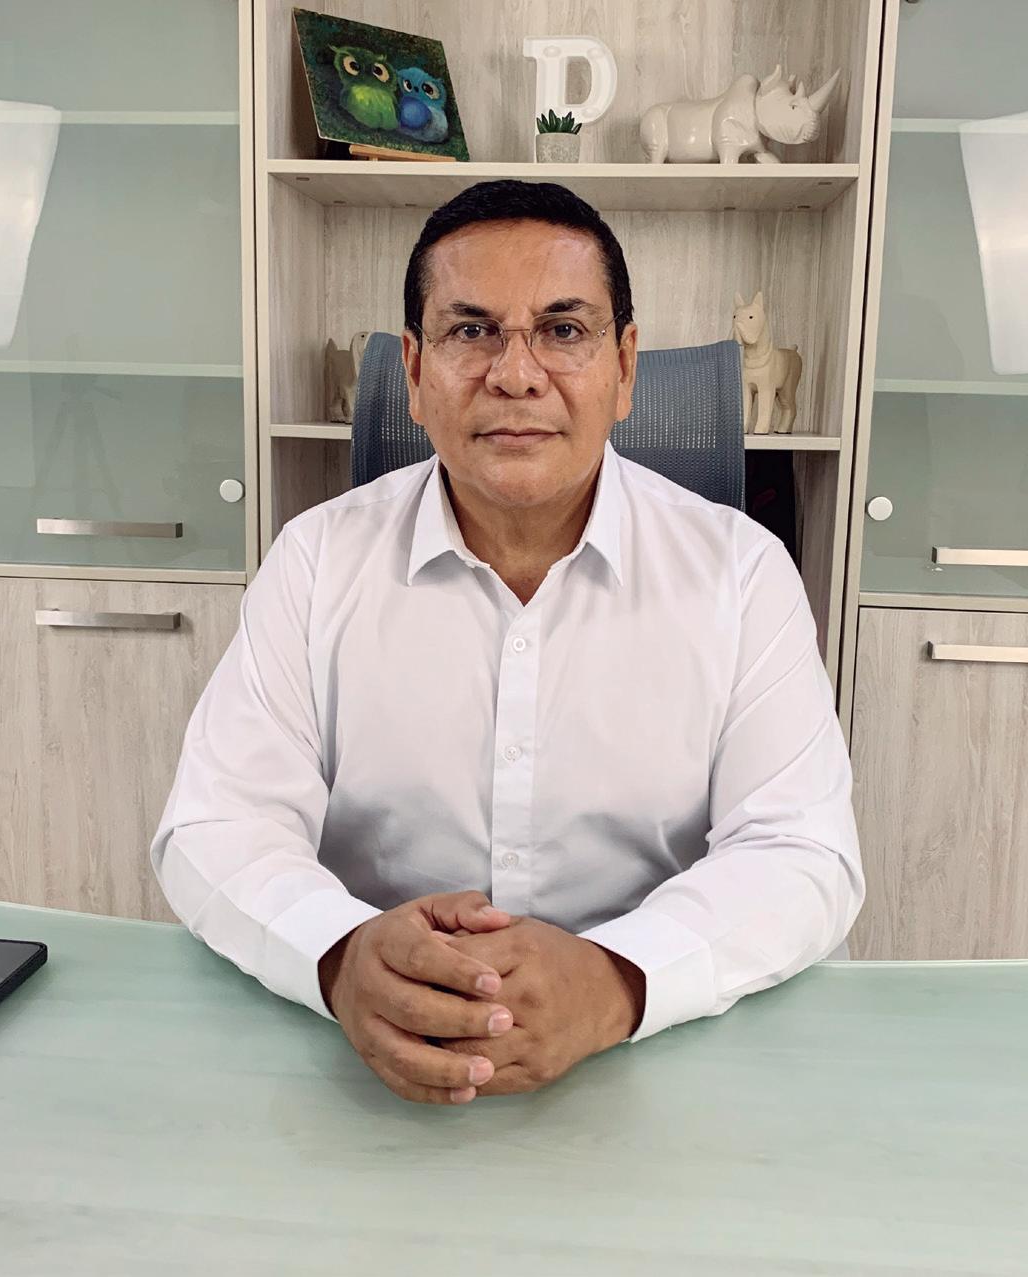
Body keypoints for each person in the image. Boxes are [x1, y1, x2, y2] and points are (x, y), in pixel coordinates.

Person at [151, 179, 862, 1105]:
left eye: (563, 330)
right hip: (371, 1065)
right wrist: (339, 953)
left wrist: (617, 979)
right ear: (414, 372)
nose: (516, 375)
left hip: (654, 1063)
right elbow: (217, 823)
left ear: (625, 369)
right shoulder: (316, 560)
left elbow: (802, 851)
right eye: (471, 331)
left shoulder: (743, 572)